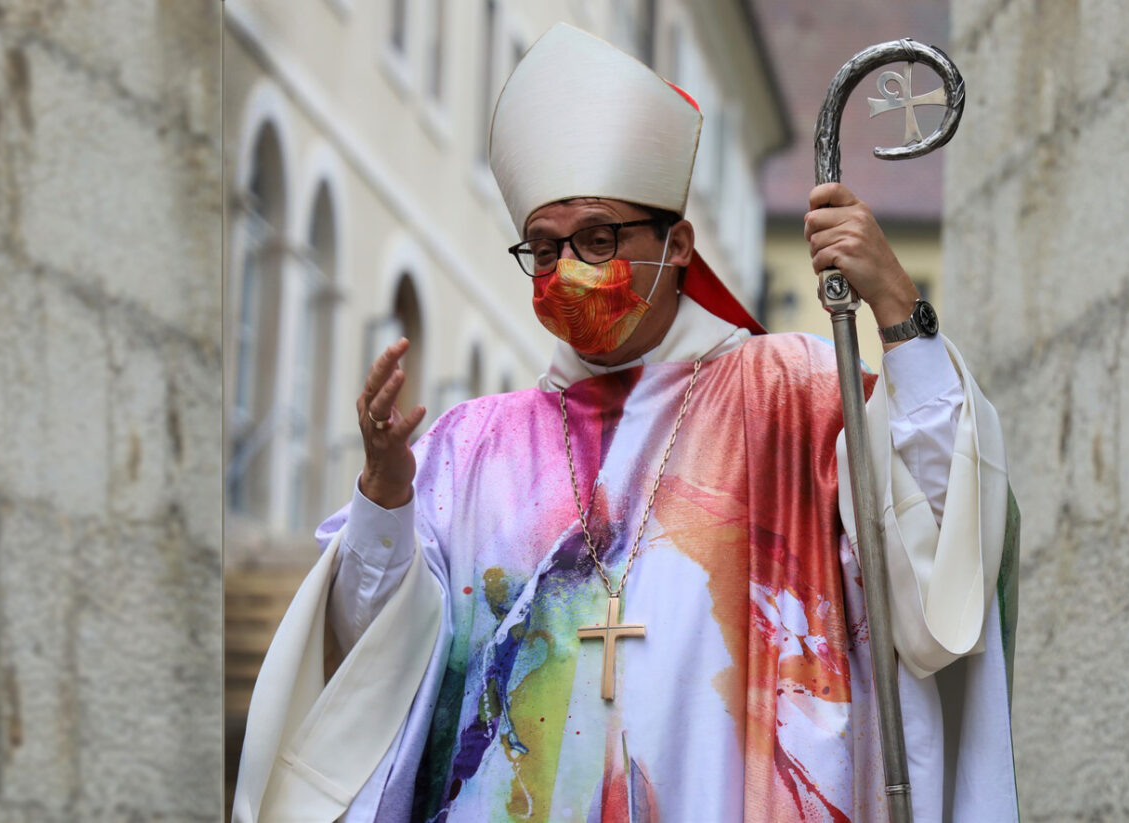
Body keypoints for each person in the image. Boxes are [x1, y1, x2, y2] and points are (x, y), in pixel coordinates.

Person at [235, 24, 1018, 823]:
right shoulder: (471, 448)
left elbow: (935, 545)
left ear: (677, 244)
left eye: (598, 238)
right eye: (543, 248)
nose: (566, 267)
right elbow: (369, 660)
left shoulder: (791, 392)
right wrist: (385, 495)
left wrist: (897, 311)